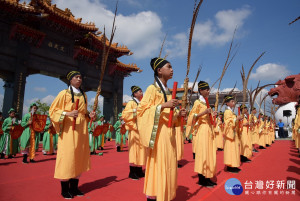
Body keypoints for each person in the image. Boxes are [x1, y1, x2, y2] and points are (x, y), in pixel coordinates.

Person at [137, 57, 186, 201]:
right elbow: (142, 111)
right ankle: (154, 196)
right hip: (158, 135)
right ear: (159, 71)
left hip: (169, 134)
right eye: (169, 67)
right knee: (158, 164)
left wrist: (178, 114)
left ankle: (166, 195)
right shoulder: (152, 89)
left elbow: (170, 116)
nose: (172, 70)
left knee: (169, 164)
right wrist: (163, 106)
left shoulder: (169, 92)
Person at [49, 70, 95, 199]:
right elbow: (53, 111)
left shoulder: (84, 94)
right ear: (70, 80)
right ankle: (64, 189)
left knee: (79, 156)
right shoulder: (64, 94)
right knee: (68, 156)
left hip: (81, 128)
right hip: (69, 128)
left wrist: (89, 115)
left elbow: (84, 113)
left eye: (80, 77)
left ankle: (74, 187)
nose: (79, 79)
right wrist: (67, 114)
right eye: (77, 77)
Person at [187, 81, 217, 187]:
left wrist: (212, 115)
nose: (208, 91)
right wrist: (203, 113)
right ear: (201, 91)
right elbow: (191, 117)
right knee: (203, 155)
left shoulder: (206, 102)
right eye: (206, 89)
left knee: (209, 154)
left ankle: (207, 176)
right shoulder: (198, 103)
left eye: (209, 89)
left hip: (208, 130)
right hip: (202, 130)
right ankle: (202, 178)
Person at [122, 85, 146, 180]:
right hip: (134, 130)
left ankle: (139, 170)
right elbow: (126, 115)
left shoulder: (142, 103)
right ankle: (132, 172)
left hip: (141, 130)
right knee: (134, 151)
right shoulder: (131, 103)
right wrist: (135, 111)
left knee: (141, 150)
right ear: (135, 94)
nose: (141, 92)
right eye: (139, 91)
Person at [223, 95, 243, 173]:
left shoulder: (231, 111)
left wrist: (237, 120)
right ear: (227, 103)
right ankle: (230, 166)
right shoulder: (227, 112)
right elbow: (228, 122)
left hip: (233, 132)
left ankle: (234, 165)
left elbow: (233, 121)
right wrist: (236, 119)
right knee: (230, 150)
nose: (233, 102)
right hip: (230, 133)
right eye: (232, 101)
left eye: (233, 101)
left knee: (234, 150)